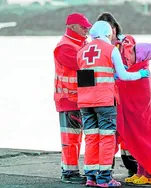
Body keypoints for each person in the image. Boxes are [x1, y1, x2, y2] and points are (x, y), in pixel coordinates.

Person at [76, 20, 150, 187]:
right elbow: (124, 75)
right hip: (105, 102)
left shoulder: (81, 51)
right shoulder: (110, 50)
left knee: (91, 138)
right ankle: (104, 178)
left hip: (85, 102)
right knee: (107, 139)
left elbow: (88, 76)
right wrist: (140, 74)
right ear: (108, 34)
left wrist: (110, 76)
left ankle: (91, 177)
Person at [115, 43, 151, 185]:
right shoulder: (136, 70)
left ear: (140, 56)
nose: (128, 56)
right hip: (138, 116)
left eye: (132, 54)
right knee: (138, 144)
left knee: (145, 144)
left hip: (144, 116)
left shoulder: (143, 71)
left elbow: (141, 95)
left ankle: (149, 175)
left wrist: (117, 80)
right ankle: (140, 172)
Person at [97, 12, 138, 178]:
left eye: (111, 28)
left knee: (129, 131)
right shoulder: (97, 46)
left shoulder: (127, 42)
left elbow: (134, 61)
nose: (109, 32)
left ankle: (132, 166)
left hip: (127, 94)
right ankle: (107, 168)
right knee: (108, 133)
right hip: (107, 95)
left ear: (115, 28)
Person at [53, 12, 92, 184]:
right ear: (71, 27)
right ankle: (69, 173)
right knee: (71, 138)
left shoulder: (82, 44)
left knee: (77, 137)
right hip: (68, 100)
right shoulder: (65, 46)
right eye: (83, 26)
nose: (86, 29)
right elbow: (84, 66)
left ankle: (72, 171)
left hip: (80, 99)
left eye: (87, 26)